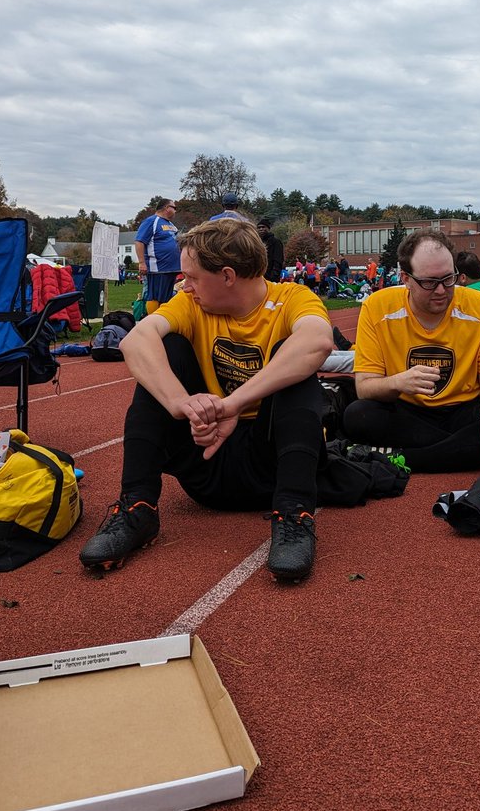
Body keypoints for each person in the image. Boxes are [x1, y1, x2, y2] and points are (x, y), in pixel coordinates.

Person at [79, 219, 338, 581]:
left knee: (296, 364)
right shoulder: (189, 303)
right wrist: (182, 404)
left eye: (193, 277)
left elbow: (317, 342)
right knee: (165, 349)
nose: (185, 285)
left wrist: (233, 405)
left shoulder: (292, 299)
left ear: (228, 275)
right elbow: (134, 342)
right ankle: (137, 507)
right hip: (207, 459)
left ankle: (295, 514)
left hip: (272, 467)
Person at [342, 229, 480, 473]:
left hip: (466, 410)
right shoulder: (377, 307)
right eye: (429, 282)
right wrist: (399, 382)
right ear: (405, 278)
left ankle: (406, 460)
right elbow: (365, 387)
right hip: (408, 412)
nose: (441, 291)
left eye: (448, 279)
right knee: (358, 415)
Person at [134, 198, 181, 312]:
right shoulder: (152, 221)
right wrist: (142, 263)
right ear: (166, 208)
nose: (175, 211)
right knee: (155, 296)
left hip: (172, 268)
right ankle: (152, 322)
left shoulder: (170, 224)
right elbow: (139, 241)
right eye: (174, 208)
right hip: (158, 268)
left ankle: (163, 322)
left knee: (166, 298)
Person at [256, 218, 285, 282]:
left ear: (268, 228)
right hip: (258, 277)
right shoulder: (257, 243)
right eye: (259, 227)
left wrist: (273, 276)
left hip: (271, 278)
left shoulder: (276, 242)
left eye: (263, 227)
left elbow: (278, 261)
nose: (261, 229)